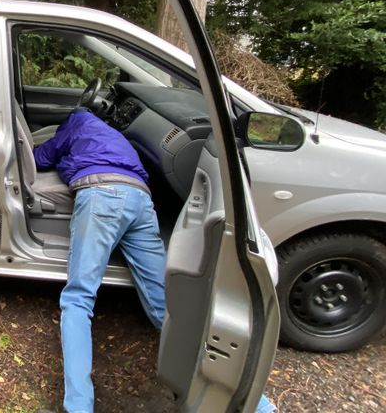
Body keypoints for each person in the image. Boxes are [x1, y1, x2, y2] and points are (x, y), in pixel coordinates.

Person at [34, 106, 276, 413]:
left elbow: (40, 158)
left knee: (78, 300)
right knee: (167, 305)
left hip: (101, 195)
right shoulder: (113, 133)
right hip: (140, 201)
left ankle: (78, 406)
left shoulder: (72, 125)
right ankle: (258, 405)